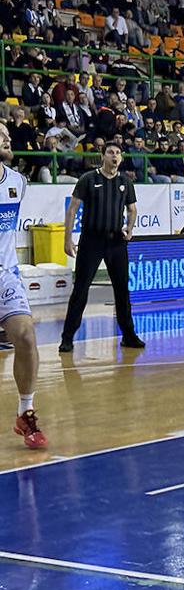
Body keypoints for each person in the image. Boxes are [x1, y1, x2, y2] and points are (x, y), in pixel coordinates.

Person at [59, 141, 144, 352]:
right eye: (110, 152)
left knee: (122, 290)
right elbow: (72, 210)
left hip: (116, 241)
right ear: (103, 156)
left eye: (118, 153)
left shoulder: (125, 182)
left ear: (121, 158)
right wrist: (67, 239)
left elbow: (132, 210)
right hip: (91, 241)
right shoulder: (88, 179)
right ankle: (67, 337)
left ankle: (129, 335)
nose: (114, 156)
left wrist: (130, 229)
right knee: (80, 289)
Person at [0, 124, 46, 449]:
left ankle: (25, 411)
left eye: (7, 135)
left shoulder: (17, 182)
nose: (7, 140)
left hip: (4, 274)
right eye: (0, 135)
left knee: (27, 337)